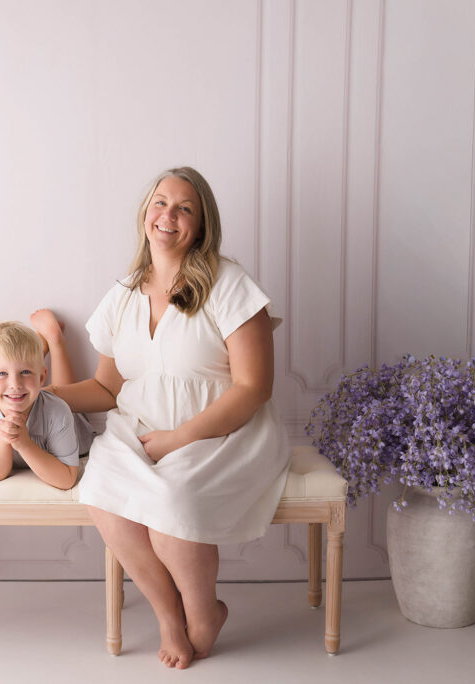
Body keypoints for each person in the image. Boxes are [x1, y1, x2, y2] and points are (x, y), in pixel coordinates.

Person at [43, 167, 290, 669]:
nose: (168, 215)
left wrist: (180, 438)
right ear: (145, 214)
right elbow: (107, 387)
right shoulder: (124, 293)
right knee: (105, 499)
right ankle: (171, 618)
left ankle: (205, 613)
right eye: (160, 203)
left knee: (171, 501)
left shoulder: (229, 283)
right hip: (137, 428)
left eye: (184, 208)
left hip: (221, 429)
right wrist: (40, 399)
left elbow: (254, 388)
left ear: (201, 225)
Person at [0, 321, 92, 490]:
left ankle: (55, 342)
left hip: (73, 427)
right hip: (32, 396)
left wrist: (24, 443)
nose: (15, 384)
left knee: (61, 394)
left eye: (25, 372)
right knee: (29, 389)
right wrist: (3, 439)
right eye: (2, 373)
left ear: (42, 378)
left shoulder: (58, 412)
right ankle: (40, 348)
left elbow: (66, 479)